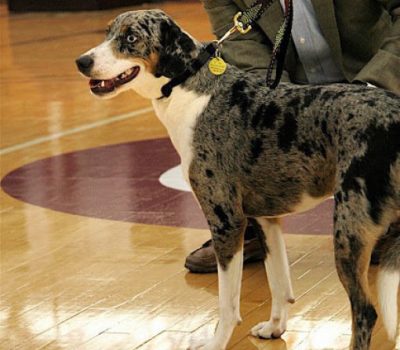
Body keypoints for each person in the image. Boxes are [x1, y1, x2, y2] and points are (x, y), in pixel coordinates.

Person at [184, 0, 400, 273]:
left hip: (376, 79)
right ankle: (242, 222)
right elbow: (245, 50)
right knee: (233, 104)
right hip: (296, 96)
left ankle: (384, 211)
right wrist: (286, 113)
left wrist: (374, 88)